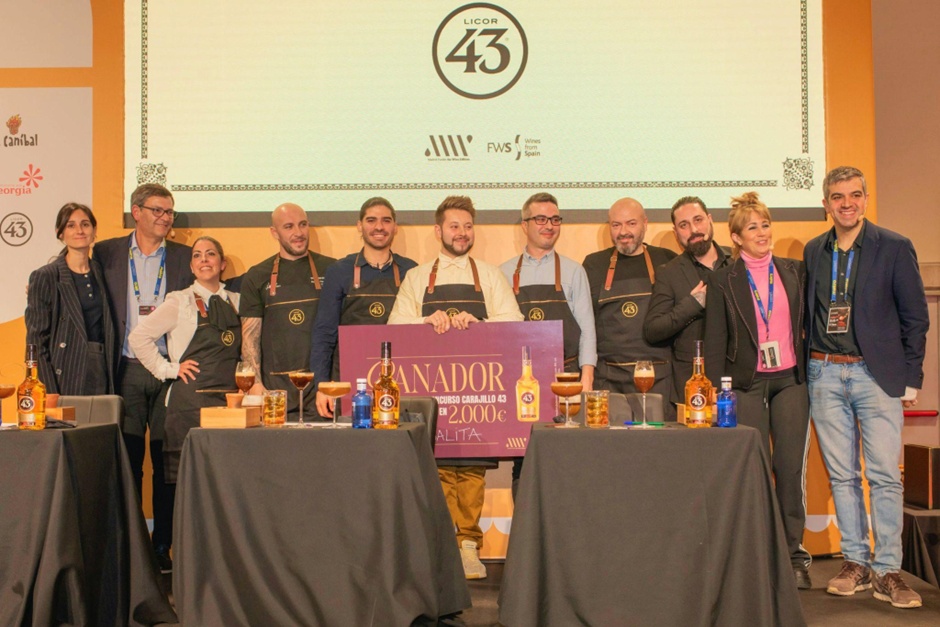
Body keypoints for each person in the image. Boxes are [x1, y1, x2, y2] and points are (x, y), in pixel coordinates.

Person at [805, 166, 929, 609]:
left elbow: (916, 318)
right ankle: (855, 562)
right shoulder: (814, 250)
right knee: (842, 475)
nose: (847, 204)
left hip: (877, 376)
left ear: (865, 198)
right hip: (824, 373)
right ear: (826, 203)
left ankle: (888, 569)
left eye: (854, 195)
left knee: (883, 476)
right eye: (838, 197)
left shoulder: (894, 246)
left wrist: (911, 378)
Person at [389, 195, 523, 580]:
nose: (462, 233)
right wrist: (425, 321)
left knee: (473, 468)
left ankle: (468, 546)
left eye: (467, 226)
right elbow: (394, 326)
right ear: (438, 231)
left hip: (476, 391)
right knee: (440, 465)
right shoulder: (417, 277)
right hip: (432, 390)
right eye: (454, 226)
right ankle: (446, 544)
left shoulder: (490, 275)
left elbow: (514, 322)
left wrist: (480, 322)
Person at [702, 192, 812, 589]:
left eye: (765, 224)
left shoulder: (794, 271)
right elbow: (715, 340)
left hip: (790, 381)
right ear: (736, 237)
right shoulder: (723, 280)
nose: (762, 232)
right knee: (753, 470)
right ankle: (756, 555)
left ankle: (793, 556)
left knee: (789, 468)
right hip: (746, 385)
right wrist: (720, 392)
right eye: (753, 227)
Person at [94, 183, 194, 571]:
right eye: (158, 210)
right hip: (128, 371)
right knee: (130, 460)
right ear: (136, 212)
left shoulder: (185, 256)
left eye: (170, 212)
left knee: (167, 463)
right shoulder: (107, 253)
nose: (165, 218)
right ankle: (132, 546)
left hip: (171, 372)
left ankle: (162, 545)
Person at [128, 237, 240, 551]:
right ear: (191, 266)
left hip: (228, 408)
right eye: (198, 256)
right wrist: (168, 369)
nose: (204, 260)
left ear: (222, 263)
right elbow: (138, 338)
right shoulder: (180, 301)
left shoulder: (237, 301)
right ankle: (164, 551)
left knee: (222, 484)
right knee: (176, 484)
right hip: (188, 405)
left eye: (211, 254)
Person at [499, 192, 596, 498]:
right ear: (524, 225)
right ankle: (525, 526)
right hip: (521, 383)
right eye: (541, 219)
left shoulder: (574, 271)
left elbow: (587, 329)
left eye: (555, 219)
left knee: (569, 459)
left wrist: (586, 378)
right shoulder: (502, 273)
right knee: (523, 460)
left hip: (566, 381)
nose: (549, 225)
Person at [311, 197, 417, 418]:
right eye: (371, 220)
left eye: (386, 220)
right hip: (348, 383)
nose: (379, 227)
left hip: (401, 381)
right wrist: (322, 385)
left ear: (395, 227)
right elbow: (324, 333)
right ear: (359, 226)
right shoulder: (339, 271)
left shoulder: (411, 271)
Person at [239, 203, 336, 421]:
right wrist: (256, 384)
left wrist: (332, 385)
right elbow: (250, 336)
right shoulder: (256, 276)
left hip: (321, 393)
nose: (298, 232)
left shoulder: (332, 270)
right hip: (275, 393)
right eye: (289, 227)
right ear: (274, 232)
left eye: (303, 225)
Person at [582, 197, 677, 419]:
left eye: (631, 223)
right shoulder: (593, 265)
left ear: (645, 223)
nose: (623, 232)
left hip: (658, 379)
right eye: (616, 225)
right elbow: (585, 326)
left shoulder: (668, 261)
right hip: (609, 380)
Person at [643, 196, 730, 405]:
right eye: (684, 225)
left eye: (698, 220)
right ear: (676, 233)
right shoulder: (669, 273)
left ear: (710, 220)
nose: (694, 229)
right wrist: (693, 304)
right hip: (692, 389)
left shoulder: (737, 262)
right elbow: (653, 330)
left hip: (736, 384)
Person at [25, 203, 116, 395]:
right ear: (60, 233)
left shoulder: (104, 273)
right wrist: (49, 390)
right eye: (71, 225)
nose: (79, 231)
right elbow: (36, 340)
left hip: (100, 368)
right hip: (64, 373)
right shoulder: (46, 276)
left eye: (85, 224)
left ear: (94, 230)